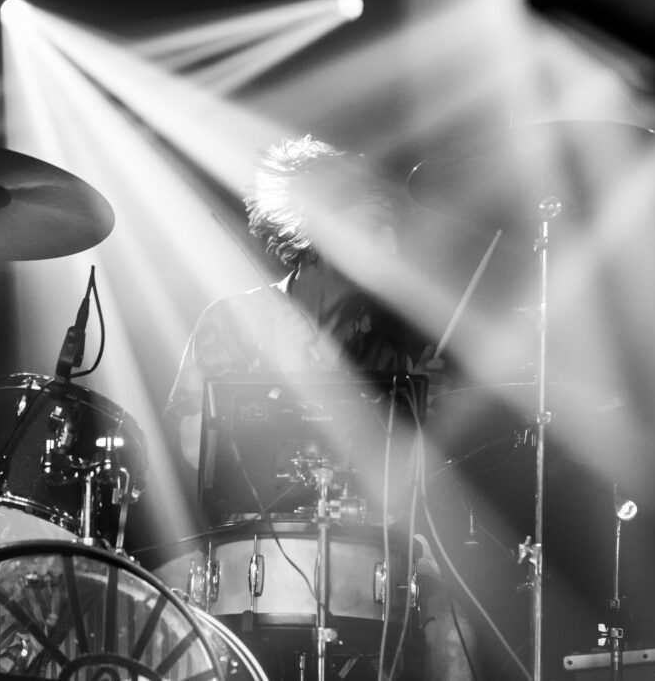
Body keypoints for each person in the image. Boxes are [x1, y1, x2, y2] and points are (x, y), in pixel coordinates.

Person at [164, 135, 477, 680]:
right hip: (232, 545)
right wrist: (273, 372)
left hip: (361, 554)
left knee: (456, 626)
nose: (391, 246)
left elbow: (402, 491)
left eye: (393, 231)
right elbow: (192, 450)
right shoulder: (234, 319)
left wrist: (425, 415)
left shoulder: (390, 355)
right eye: (373, 226)